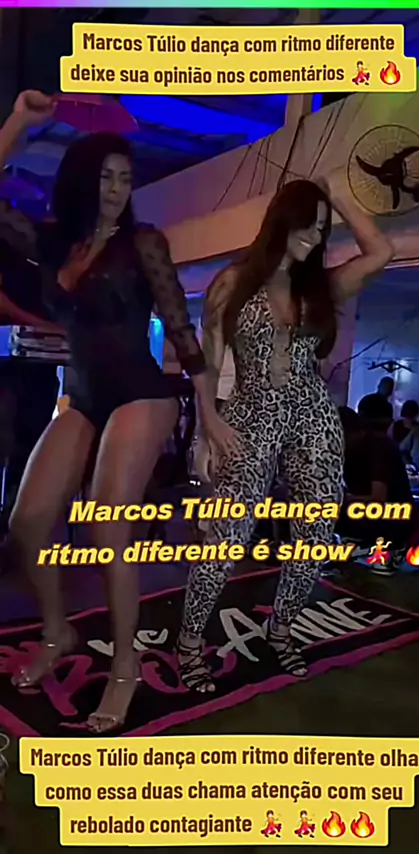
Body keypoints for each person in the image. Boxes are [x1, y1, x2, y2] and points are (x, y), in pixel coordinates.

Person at [0, 90, 234, 732]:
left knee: (107, 523)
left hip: (140, 391)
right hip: (81, 394)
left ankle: (126, 665)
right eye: (106, 177)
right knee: (28, 522)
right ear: (84, 179)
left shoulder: (144, 243)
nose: (116, 190)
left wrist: (208, 415)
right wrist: (19, 121)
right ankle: (58, 633)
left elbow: (180, 329)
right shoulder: (55, 243)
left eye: (125, 179)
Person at [176, 175, 393, 692]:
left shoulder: (319, 288)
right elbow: (208, 361)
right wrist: (207, 427)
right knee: (226, 537)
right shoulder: (232, 282)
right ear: (283, 219)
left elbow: (382, 251)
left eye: (322, 229)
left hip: (312, 413)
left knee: (314, 534)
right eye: (308, 225)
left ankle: (281, 629)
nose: (315, 237)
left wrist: (336, 196)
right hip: (249, 412)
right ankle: (188, 642)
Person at [0, 240, 63, 528]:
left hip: (38, 364)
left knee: (30, 444)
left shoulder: (48, 252)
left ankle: (14, 522)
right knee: (10, 441)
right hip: (10, 362)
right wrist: (46, 327)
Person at [337, 402, 415, 574]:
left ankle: (392, 548)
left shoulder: (379, 448)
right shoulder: (348, 452)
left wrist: (344, 499)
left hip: (392, 519)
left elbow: (378, 497)